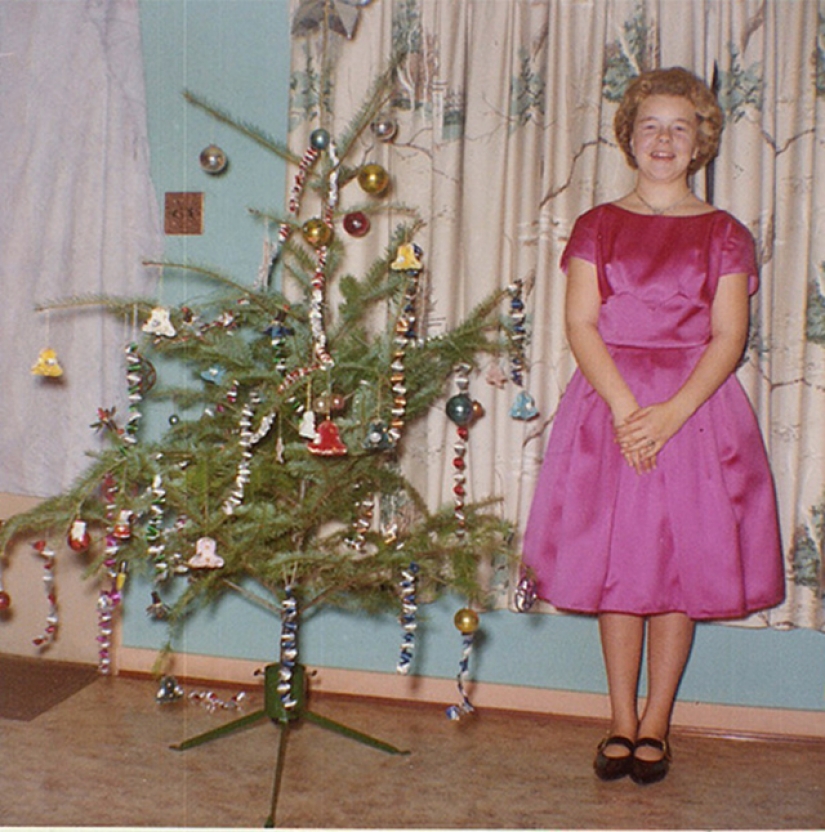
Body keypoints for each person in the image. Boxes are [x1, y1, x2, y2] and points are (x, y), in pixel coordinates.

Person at [520, 67, 784, 786]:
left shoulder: (725, 233)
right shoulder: (596, 225)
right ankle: (617, 721)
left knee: (676, 569)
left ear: (700, 140)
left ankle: (657, 725)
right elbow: (579, 321)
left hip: (694, 414)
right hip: (609, 410)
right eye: (649, 126)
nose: (662, 139)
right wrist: (625, 411)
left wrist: (669, 414)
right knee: (618, 570)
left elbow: (727, 337)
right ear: (628, 137)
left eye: (678, 126)